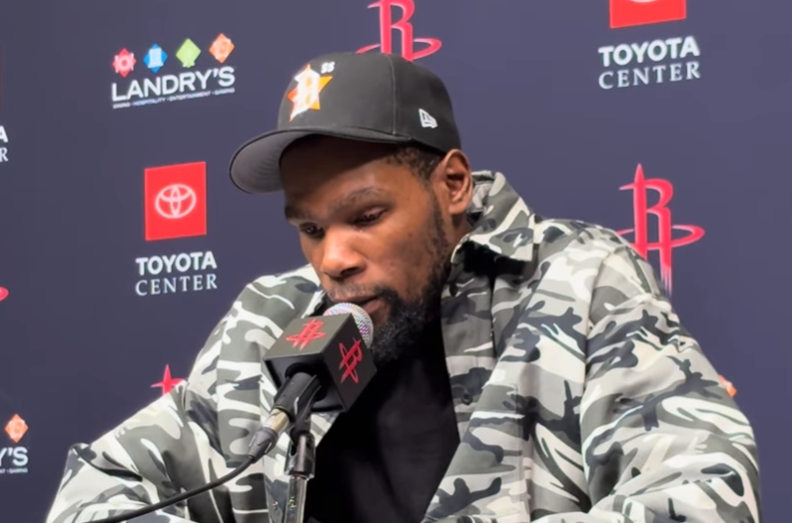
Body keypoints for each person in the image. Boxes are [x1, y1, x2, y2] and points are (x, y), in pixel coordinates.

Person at [45, 51, 761, 523]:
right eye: (310, 228)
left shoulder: (578, 276)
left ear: (452, 184)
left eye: (366, 217)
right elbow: (97, 491)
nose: (333, 258)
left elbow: (703, 490)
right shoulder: (269, 317)